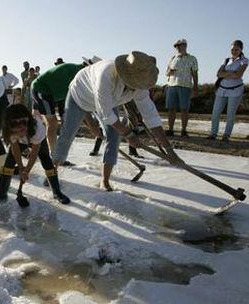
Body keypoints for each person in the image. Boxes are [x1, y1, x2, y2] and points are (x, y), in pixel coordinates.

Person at [53, 51, 184, 191]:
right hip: (80, 96)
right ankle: (52, 173)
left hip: (109, 102)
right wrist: (129, 134)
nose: (137, 87)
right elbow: (106, 114)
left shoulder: (141, 85)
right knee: (67, 135)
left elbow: (151, 117)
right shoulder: (105, 75)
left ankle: (105, 181)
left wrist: (169, 150)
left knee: (114, 136)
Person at [0, 104, 70, 205]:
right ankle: (1, 192)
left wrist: (26, 172)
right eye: (17, 127)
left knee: (46, 160)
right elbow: (15, 149)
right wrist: (21, 168)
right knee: (9, 162)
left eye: (24, 125)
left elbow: (34, 154)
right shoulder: (9, 130)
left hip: (37, 140)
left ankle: (57, 192)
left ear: (28, 121)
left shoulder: (38, 127)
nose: (21, 128)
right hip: (20, 142)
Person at [30, 60, 88, 155]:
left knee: (36, 122)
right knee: (52, 123)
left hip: (43, 91)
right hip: (42, 90)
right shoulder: (76, 74)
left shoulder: (74, 70)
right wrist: (91, 125)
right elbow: (80, 103)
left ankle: (28, 145)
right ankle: (54, 154)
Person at [208, 40, 249, 142]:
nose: (234, 51)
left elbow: (238, 75)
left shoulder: (244, 60)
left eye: (236, 49)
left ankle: (226, 135)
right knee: (215, 113)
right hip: (221, 89)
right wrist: (231, 73)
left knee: (230, 114)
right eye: (232, 49)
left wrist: (226, 73)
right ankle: (213, 134)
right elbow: (218, 74)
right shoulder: (226, 60)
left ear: (241, 49)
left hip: (235, 90)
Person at [165, 39, 198, 137]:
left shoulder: (192, 58)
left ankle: (183, 130)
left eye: (180, 45)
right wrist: (170, 72)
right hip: (171, 85)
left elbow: (195, 73)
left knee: (184, 109)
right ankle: (170, 130)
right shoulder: (173, 58)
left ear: (185, 45)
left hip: (185, 86)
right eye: (176, 46)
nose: (178, 47)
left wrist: (195, 86)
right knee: (171, 109)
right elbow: (166, 73)